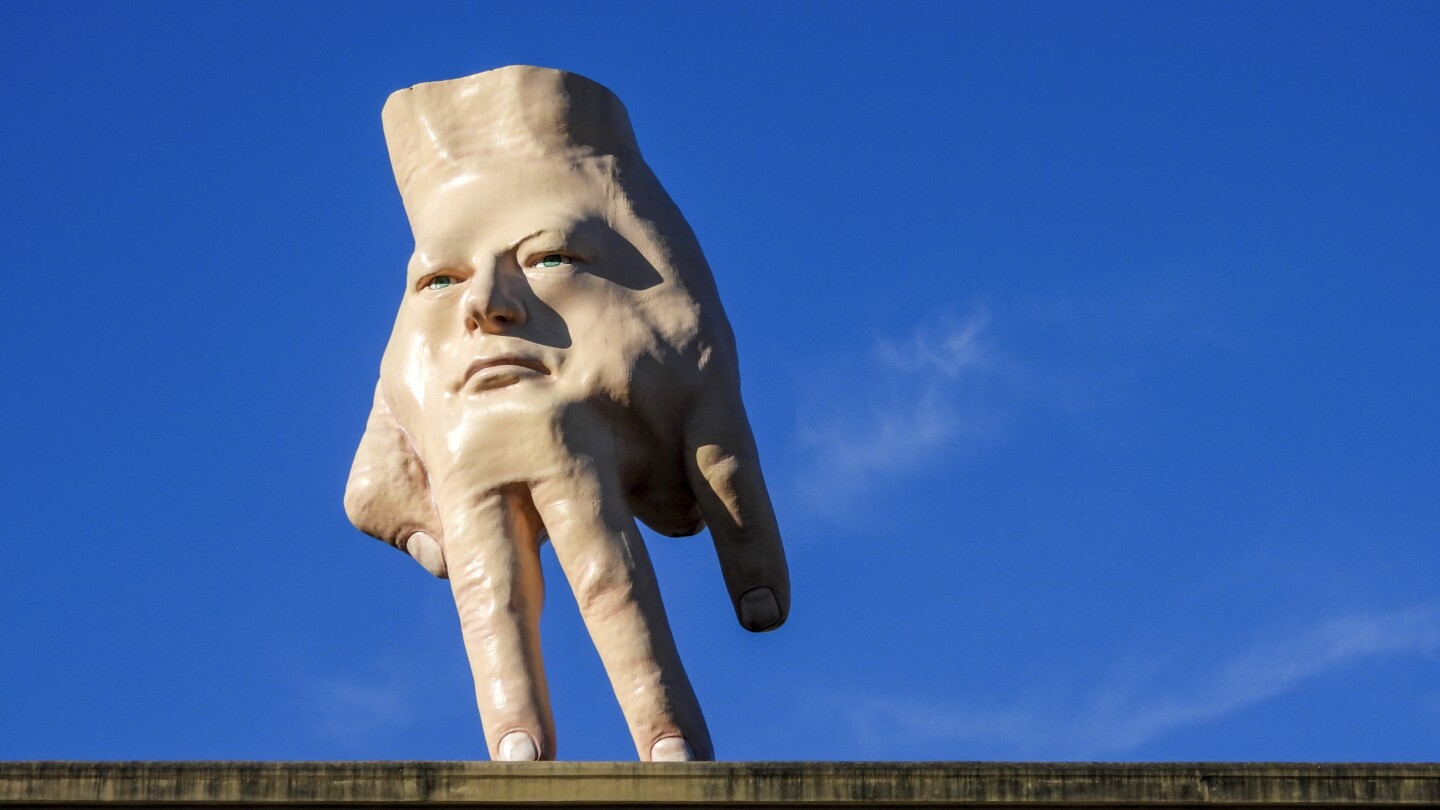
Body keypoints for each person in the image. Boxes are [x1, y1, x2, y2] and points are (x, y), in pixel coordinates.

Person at [344, 65, 790, 762]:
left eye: (549, 257)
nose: (487, 304)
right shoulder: (434, 350)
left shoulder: (630, 300)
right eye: (439, 280)